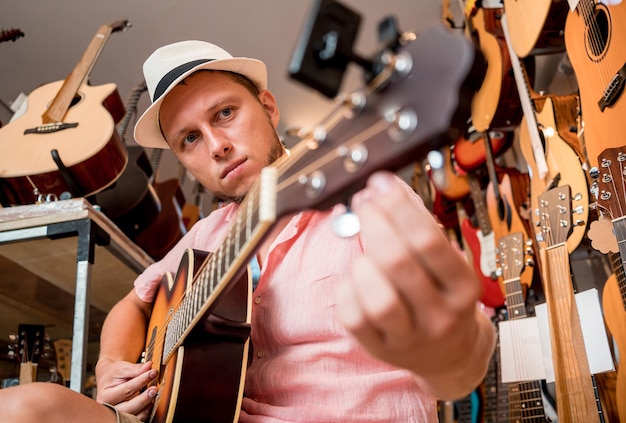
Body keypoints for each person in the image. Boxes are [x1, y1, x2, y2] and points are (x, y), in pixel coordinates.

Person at [0, 39, 495, 423]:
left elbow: (465, 360)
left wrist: (447, 349)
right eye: (190, 139)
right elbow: (135, 302)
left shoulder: (364, 196)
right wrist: (110, 364)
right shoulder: (205, 237)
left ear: (269, 108)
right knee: (22, 408)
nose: (216, 145)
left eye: (225, 114)